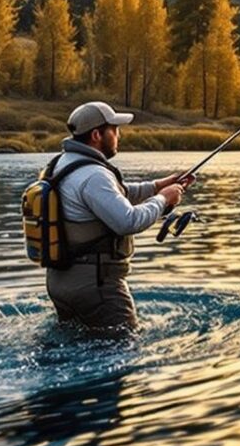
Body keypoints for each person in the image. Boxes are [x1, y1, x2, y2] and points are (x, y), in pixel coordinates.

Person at [44, 100, 192, 333]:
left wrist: (157, 186)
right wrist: (163, 199)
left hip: (61, 282)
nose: (118, 135)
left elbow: (113, 196)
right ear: (96, 135)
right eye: (114, 129)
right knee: (125, 346)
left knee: (75, 342)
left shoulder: (61, 164)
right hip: (96, 286)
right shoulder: (94, 175)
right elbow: (128, 221)